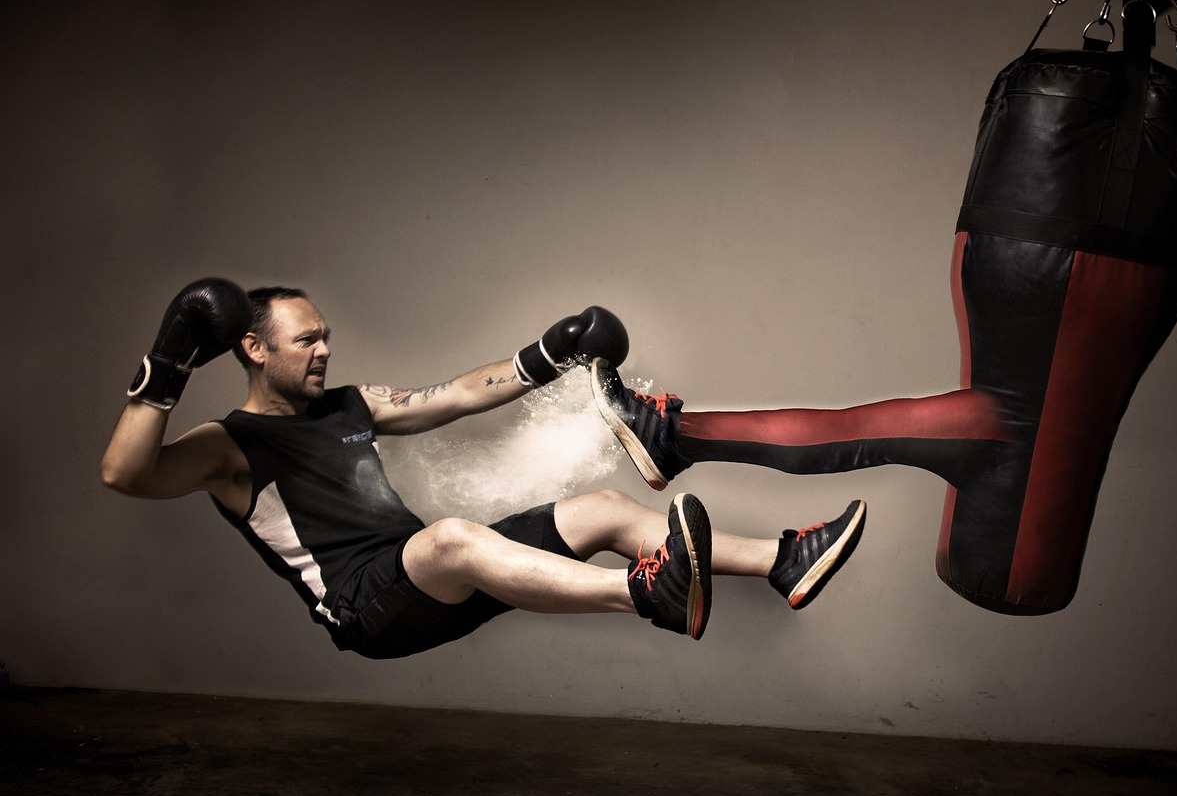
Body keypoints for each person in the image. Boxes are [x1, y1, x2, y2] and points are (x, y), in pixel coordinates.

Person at [101, 279, 867, 659]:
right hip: (369, 610)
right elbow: (125, 474)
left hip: (437, 580)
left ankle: (782, 560)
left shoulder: (349, 405)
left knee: (600, 508)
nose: (325, 350)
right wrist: (168, 363)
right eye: (307, 341)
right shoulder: (228, 446)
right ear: (254, 348)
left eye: (326, 335)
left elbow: (458, 395)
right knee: (454, 538)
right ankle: (645, 594)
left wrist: (551, 353)